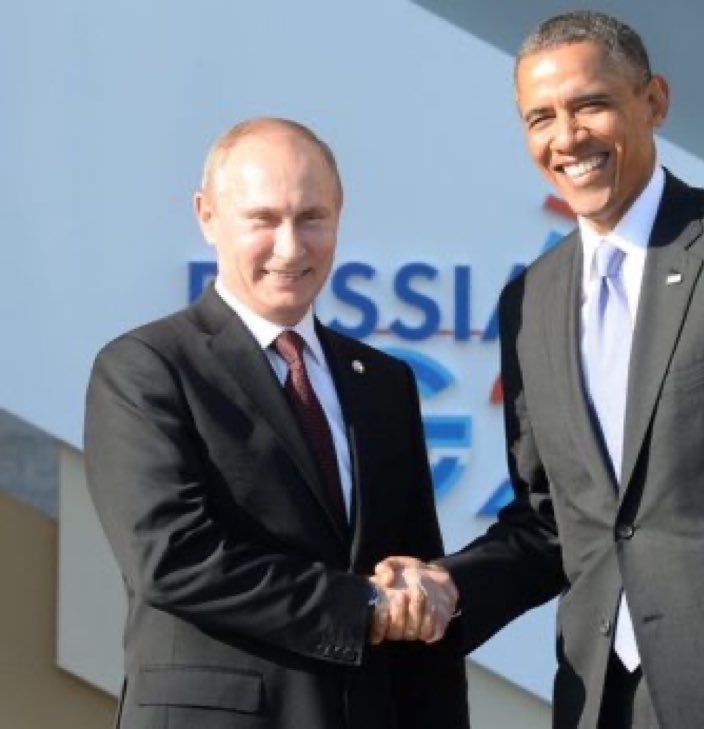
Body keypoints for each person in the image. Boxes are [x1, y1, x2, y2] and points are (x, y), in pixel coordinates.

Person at [379, 11, 704, 729]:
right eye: (540, 117)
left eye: (591, 104)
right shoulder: (531, 297)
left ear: (653, 101)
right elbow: (552, 525)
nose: (567, 137)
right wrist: (445, 585)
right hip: (597, 702)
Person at [83, 117, 467, 729]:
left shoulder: (384, 382)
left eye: (312, 217)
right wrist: (360, 605)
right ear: (207, 216)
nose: (291, 247)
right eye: (263, 219)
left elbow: (412, 570)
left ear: (340, 217)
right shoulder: (146, 368)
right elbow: (174, 557)